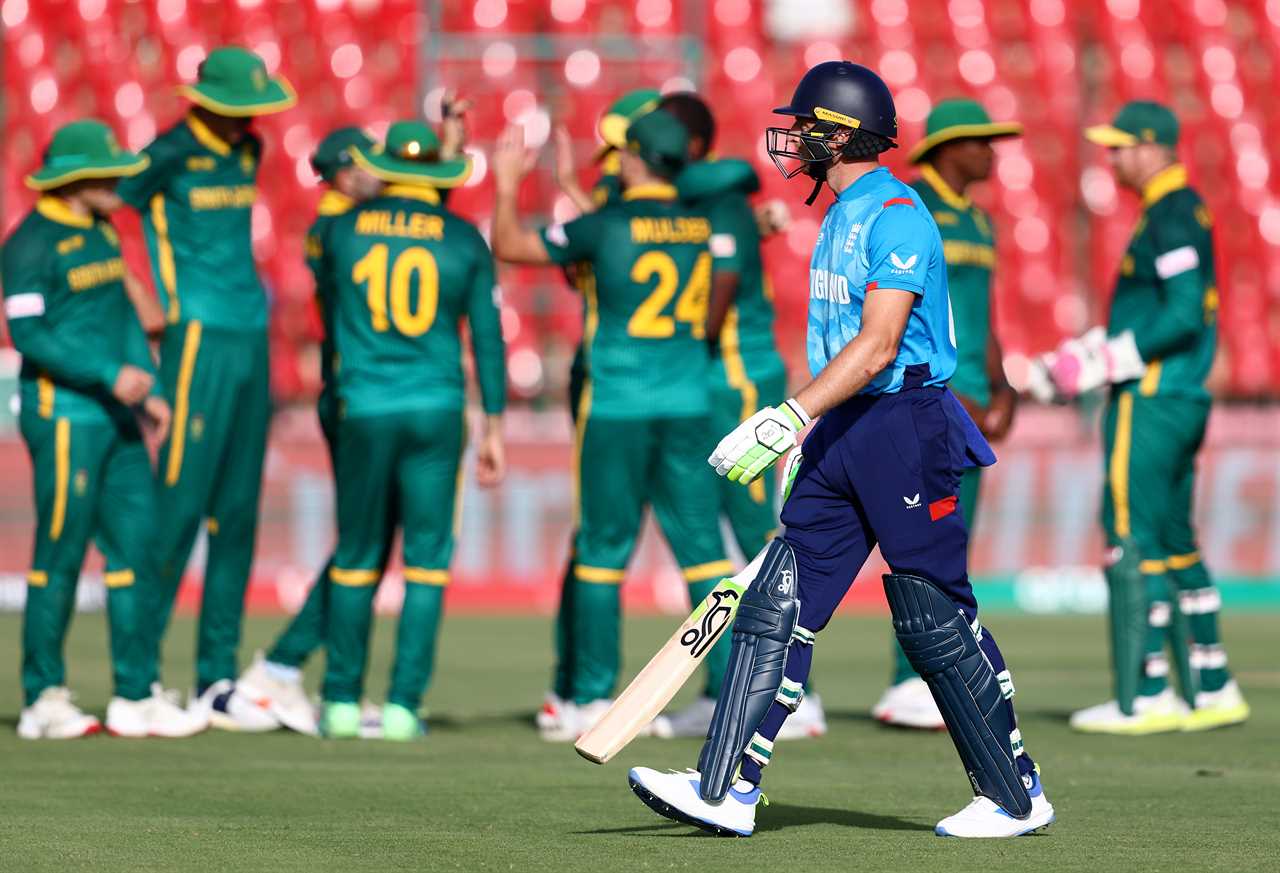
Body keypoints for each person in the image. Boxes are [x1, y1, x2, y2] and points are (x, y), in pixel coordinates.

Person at [628, 61, 1055, 839]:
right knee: (778, 599)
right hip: (846, 426)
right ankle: (725, 787)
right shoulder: (840, 214)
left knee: (934, 613)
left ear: (839, 133)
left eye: (806, 127)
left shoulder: (898, 214)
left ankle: (1014, 793)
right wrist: (811, 428)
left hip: (905, 425)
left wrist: (786, 416)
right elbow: (837, 347)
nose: (793, 140)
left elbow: (882, 341)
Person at [492, 110, 733, 740]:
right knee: (706, 556)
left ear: (633, 160)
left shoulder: (606, 226)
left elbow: (513, 246)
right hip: (687, 403)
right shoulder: (701, 225)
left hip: (618, 404)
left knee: (601, 552)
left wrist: (505, 183)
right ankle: (734, 691)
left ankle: (594, 696)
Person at [1030, 100, 1248, 734]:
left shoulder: (1173, 214)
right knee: (1176, 540)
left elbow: (1183, 314)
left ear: (1154, 147)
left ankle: (1145, 692)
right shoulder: (1175, 211)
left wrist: (1109, 358)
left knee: (1130, 535)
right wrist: (1097, 348)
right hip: (1179, 396)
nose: (1114, 157)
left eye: (1122, 146)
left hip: (1152, 397)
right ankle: (1211, 685)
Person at [4, 120, 204, 739]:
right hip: (64, 417)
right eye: (108, 174)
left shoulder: (100, 231)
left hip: (117, 417)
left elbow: (121, 317)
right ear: (75, 180)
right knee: (59, 557)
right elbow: (29, 336)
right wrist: (107, 374)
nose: (120, 181)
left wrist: (151, 388)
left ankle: (135, 693)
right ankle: (43, 699)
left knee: (137, 553)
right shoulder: (28, 245)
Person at [115, 46, 295, 730]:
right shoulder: (165, 154)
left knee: (237, 513)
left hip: (251, 336)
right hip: (193, 340)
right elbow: (103, 215)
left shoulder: (250, 148)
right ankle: (140, 679)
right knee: (179, 506)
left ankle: (214, 678)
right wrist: (141, 294)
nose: (251, 115)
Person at [314, 121, 506, 741]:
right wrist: (495, 424)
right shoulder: (463, 239)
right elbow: (487, 339)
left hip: (363, 404)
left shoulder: (340, 230)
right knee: (425, 564)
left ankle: (340, 703)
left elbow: (328, 318)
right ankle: (401, 708)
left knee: (354, 557)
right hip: (435, 410)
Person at [647, 91, 827, 741]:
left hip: (739, 380)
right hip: (708, 386)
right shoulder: (707, 203)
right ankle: (725, 685)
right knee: (710, 536)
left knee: (761, 534)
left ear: (688, 145)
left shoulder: (719, 197)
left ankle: (794, 690)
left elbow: (718, 289)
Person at [871, 98, 1022, 730]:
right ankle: (911, 679)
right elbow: (898, 311)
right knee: (921, 537)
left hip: (974, 402)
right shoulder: (914, 207)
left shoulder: (980, 221)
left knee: (951, 540)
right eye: (980, 140)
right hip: (928, 397)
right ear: (947, 147)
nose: (992, 151)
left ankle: (935, 673)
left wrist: (1004, 382)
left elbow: (979, 312)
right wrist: (952, 391)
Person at [233, 127, 383, 736]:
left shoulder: (352, 220)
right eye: (369, 163)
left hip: (361, 395)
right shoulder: (337, 226)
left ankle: (288, 667)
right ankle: (286, 669)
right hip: (355, 397)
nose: (380, 172)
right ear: (344, 171)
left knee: (365, 544)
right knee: (361, 546)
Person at [538, 89, 661, 740]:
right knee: (601, 544)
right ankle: (580, 688)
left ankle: (575, 687)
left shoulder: (621, 212)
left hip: (618, 385)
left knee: (597, 544)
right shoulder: (630, 212)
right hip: (624, 384)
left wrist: (566, 186)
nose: (612, 161)